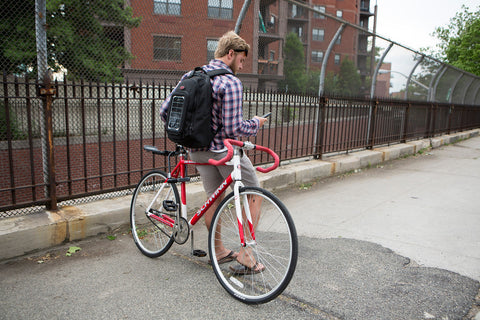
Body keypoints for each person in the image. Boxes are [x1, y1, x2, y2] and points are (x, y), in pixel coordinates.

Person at [160, 31, 267, 274]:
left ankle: (217, 251)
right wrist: (256, 123)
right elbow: (234, 128)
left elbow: (165, 111)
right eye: (241, 59)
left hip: (197, 151)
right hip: (223, 151)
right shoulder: (230, 83)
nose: (241, 65)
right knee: (255, 193)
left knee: (213, 199)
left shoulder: (191, 75)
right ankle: (247, 255)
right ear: (230, 53)